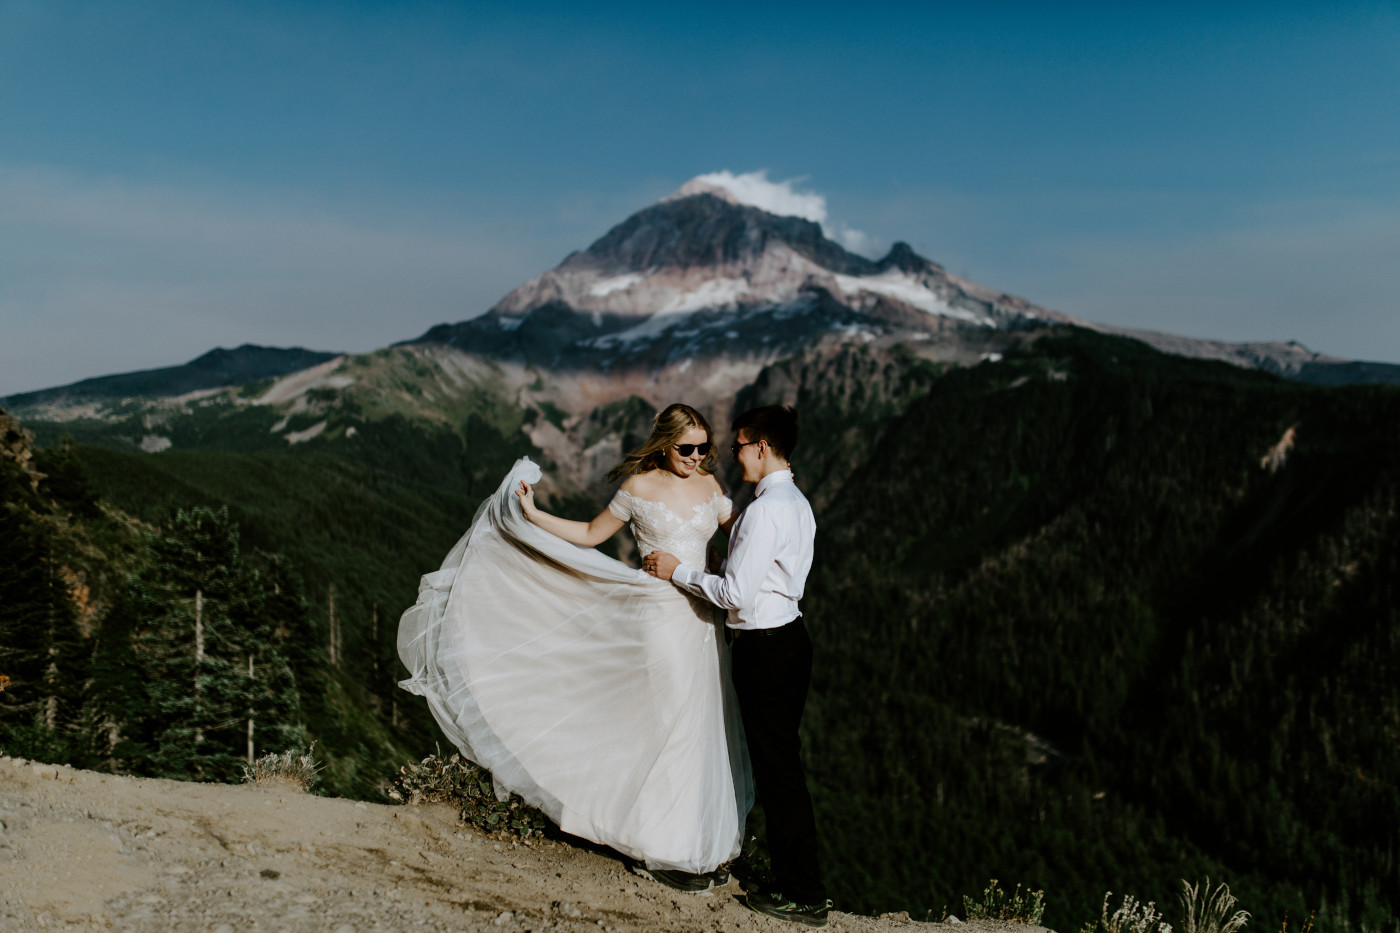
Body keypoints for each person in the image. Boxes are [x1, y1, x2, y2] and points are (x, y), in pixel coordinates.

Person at [397, 403, 752, 893]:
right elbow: (589, 534)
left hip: (704, 623)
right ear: (665, 445)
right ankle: (667, 849)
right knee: (672, 723)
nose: (697, 456)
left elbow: (734, 542)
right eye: (687, 448)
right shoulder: (637, 487)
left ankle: (695, 844)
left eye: (704, 448)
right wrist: (533, 514)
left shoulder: (711, 486)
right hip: (657, 619)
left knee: (700, 724)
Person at [644, 405, 831, 929]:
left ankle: (805, 894)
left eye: (738, 445)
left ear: (761, 448)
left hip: (764, 647)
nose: (733, 454)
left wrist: (678, 570)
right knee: (779, 766)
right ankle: (793, 880)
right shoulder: (795, 503)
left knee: (777, 771)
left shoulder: (768, 509)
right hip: (789, 638)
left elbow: (736, 594)